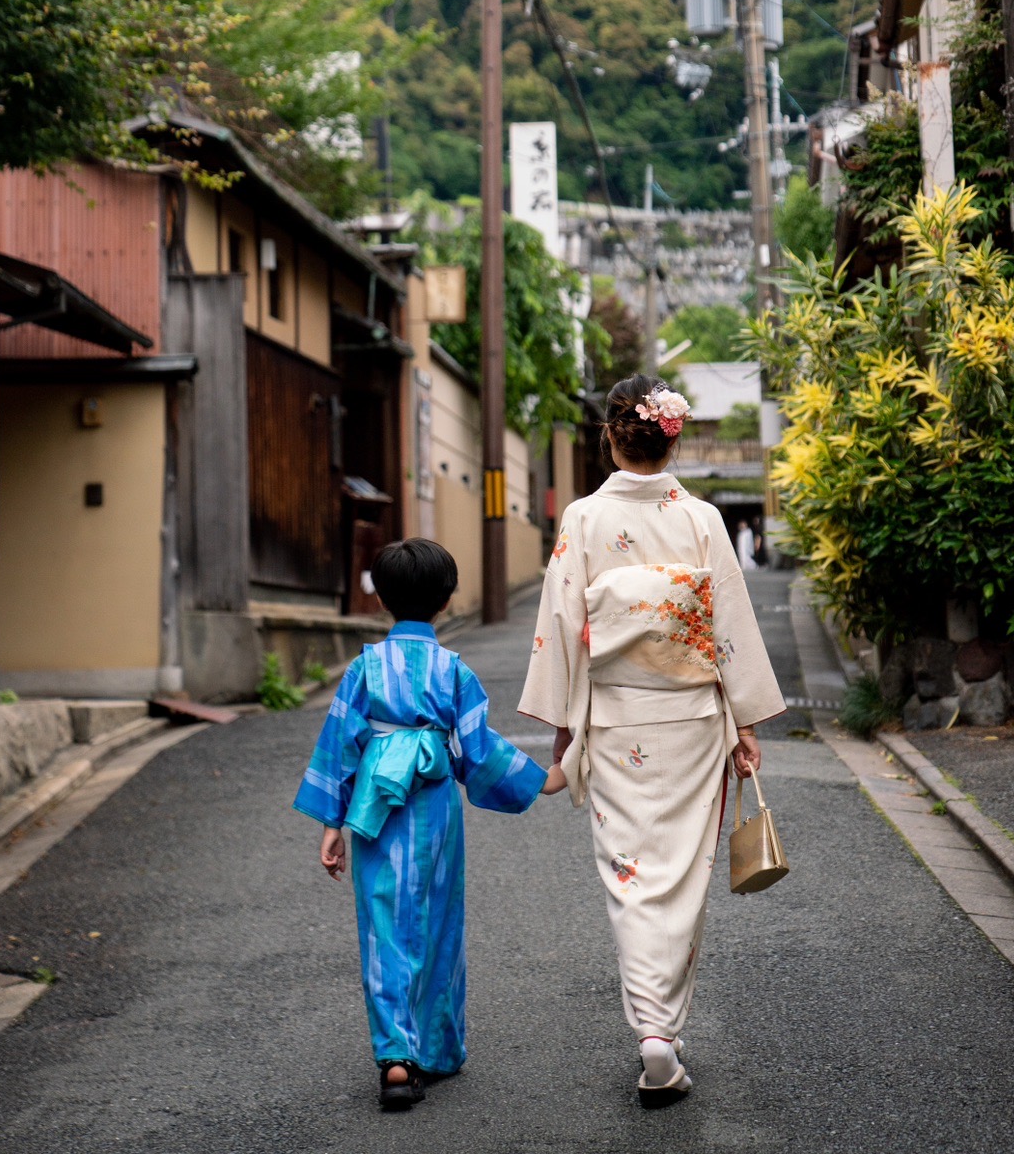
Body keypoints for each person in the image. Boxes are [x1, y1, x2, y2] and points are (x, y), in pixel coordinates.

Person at [520, 375, 784, 1108]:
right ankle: (665, 1032)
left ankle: (653, 1036)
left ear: (610, 435)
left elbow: (563, 626)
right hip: (694, 718)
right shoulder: (700, 519)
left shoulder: (582, 516)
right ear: (673, 435)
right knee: (682, 875)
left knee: (631, 876)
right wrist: (745, 723)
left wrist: (565, 730)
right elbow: (727, 625)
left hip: (617, 715)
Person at [295, 537, 566, 1112]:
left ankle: (396, 1058)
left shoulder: (364, 669)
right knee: (438, 921)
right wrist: (541, 779)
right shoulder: (453, 671)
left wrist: (331, 824)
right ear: (446, 601)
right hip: (434, 811)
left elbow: (340, 745)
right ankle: (437, 1048)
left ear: (382, 599)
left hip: (374, 806)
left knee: (384, 927)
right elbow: (477, 751)